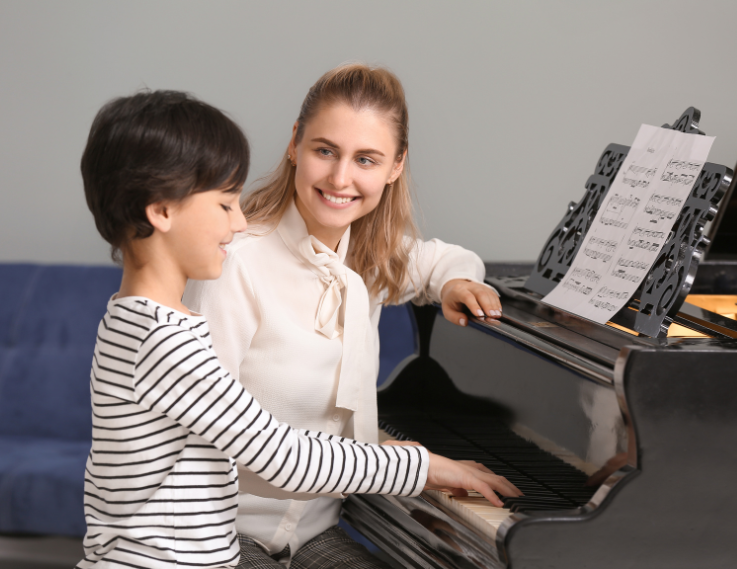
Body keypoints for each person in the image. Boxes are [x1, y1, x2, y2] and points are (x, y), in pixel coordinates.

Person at [76, 90, 519, 569]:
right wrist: (423, 466)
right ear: (161, 211)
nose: (240, 221)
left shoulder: (136, 320)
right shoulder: (166, 342)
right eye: (226, 205)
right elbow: (281, 454)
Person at [183, 64, 505, 567]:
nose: (340, 178)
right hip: (220, 531)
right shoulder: (236, 263)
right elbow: (214, 441)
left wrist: (457, 281)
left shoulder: (366, 255)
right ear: (295, 143)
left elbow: (438, 260)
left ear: (396, 166)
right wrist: (415, 466)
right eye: (325, 150)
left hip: (314, 532)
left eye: (366, 159)